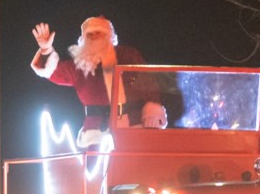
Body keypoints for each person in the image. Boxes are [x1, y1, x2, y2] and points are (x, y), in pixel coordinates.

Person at [30, 16, 167, 149]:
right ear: (83, 39)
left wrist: (152, 106)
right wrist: (46, 49)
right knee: (94, 171)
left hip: (132, 128)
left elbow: (148, 81)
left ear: (110, 36)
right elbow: (55, 71)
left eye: (100, 33)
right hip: (95, 134)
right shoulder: (80, 65)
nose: (95, 36)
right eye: (90, 34)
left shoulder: (127, 55)